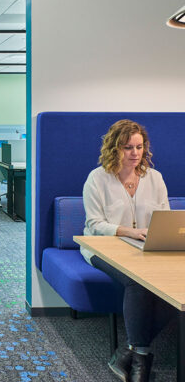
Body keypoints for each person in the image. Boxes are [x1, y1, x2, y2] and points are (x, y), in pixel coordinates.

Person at [82, 119, 175, 382]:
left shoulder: (154, 178)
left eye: (139, 147)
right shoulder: (97, 179)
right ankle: (141, 360)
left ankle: (128, 353)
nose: (135, 153)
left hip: (144, 248)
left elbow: (164, 217)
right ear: (114, 148)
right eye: (127, 147)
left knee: (174, 286)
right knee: (138, 282)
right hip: (101, 248)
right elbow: (94, 224)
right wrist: (130, 231)